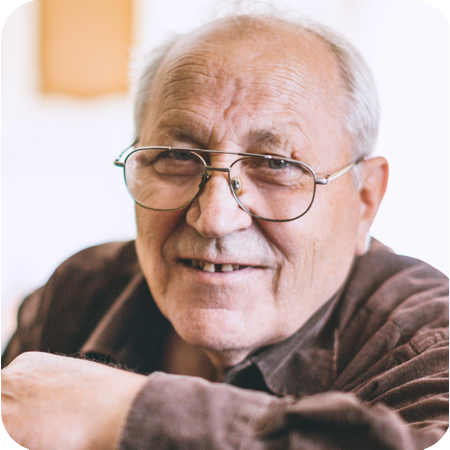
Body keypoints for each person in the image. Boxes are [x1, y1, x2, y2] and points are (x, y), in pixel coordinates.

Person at [1, 12, 448, 450]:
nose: (214, 217)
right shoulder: (79, 292)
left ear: (364, 199)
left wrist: (130, 412)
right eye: (177, 156)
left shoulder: (429, 342)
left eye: (275, 164)